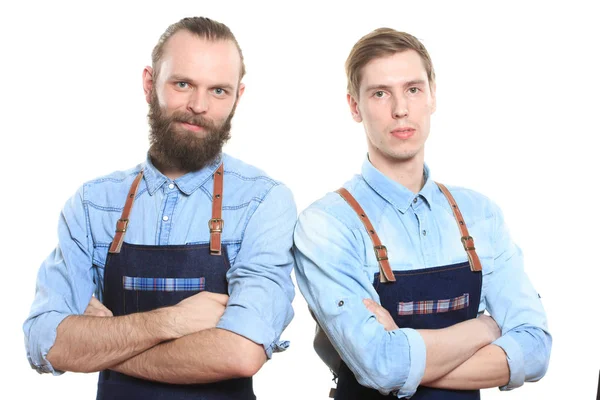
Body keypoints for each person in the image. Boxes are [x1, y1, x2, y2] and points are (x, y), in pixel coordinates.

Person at [23, 16, 296, 400]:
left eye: (218, 90)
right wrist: (172, 322)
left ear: (238, 97)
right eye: (182, 84)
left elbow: (240, 351)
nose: (198, 106)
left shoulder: (262, 202)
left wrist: (103, 346)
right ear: (150, 84)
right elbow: (45, 342)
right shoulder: (92, 205)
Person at [293, 28, 551, 399]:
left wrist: (403, 356)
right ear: (354, 106)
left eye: (413, 89)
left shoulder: (480, 214)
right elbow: (379, 366)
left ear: (432, 96)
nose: (401, 109)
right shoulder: (328, 224)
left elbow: (536, 349)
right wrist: (486, 330)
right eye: (380, 93)